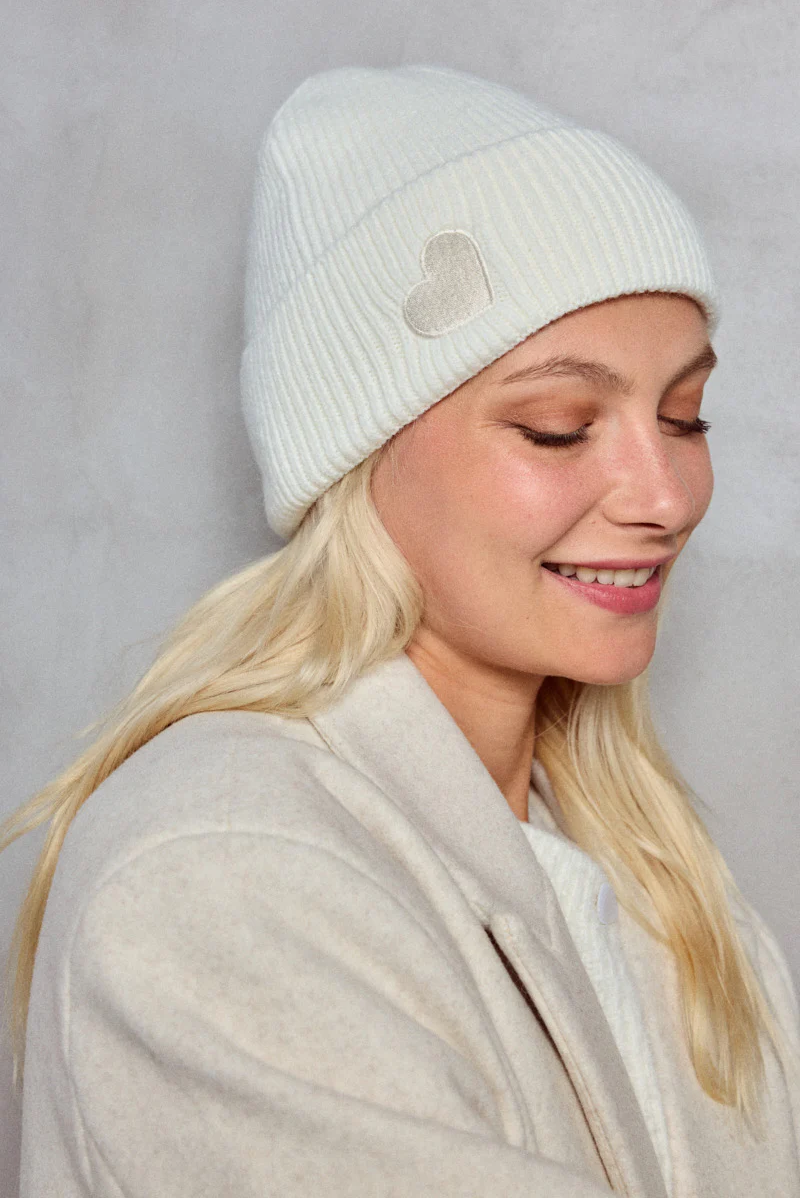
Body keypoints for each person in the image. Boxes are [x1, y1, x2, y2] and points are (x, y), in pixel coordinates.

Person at [3, 63, 799, 1197]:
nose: (665, 495)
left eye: (684, 416)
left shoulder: (653, 882)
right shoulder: (220, 874)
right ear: (357, 454)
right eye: (558, 427)